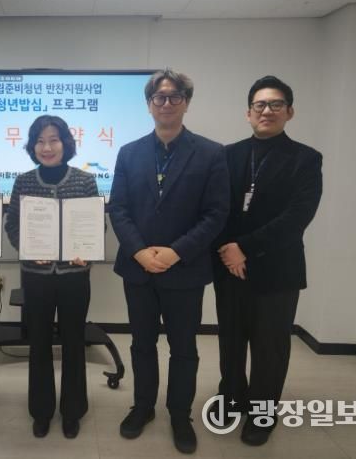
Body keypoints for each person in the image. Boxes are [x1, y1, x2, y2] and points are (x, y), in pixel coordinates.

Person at [109, 69, 230, 454]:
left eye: (174, 96)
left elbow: (216, 213)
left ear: (186, 103)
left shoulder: (211, 153)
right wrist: (140, 251)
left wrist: (176, 252)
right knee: (142, 344)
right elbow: (119, 208)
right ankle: (142, 407)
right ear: (149, 104)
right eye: (158, 97)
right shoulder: (129, 152)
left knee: (184, 348)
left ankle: (180, 414)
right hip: (138, 269)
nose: (166, 103)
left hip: (186, 269)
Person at [211, 75, 322, 446]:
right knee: (230, 342)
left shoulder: (305, 159)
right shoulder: (228, 155)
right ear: (248, 113)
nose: (267, 111)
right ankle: (231, 399)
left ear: (289, 112)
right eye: (260, 105)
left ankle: (262, 413)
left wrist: (244, 247)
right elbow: (216, 209)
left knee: (270, 348)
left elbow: (297, 216)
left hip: (277, 270)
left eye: (276, 104)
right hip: (229, 268)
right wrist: (228, 250)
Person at [5, 115, 99, 439]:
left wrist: (87, 251)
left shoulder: (85, 181)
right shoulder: (23, 182)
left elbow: (95, 225)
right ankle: (41, 411)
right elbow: (12, 225)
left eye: (53, 140)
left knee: (74, 343)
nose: (47, 147)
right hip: (37, 277)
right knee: (39, 343)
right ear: (32, 146)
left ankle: (72, 411)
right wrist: (27, 248)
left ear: (65, 143)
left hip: (74, 277)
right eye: (40, 141)